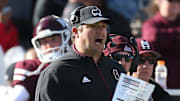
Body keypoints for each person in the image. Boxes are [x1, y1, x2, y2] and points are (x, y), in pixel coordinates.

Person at [35, 6, 126, 101]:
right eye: (93, 26)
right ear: (76, 32)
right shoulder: (56, 72)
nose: (100, 31)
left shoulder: (116, 69)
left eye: (103, 26)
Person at [9, 15, 71, 101]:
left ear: (67, 38)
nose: (49, 46)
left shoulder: (80, 64)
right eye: (44, 42)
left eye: (54, 39)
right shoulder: (33, 70)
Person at [141, 0, 180, 89]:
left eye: (178, 1)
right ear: (159, 2)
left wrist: (165, 39)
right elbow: (152, 37)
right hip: (159, 89)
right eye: (170, 1)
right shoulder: (151, 23)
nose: (175, 4)